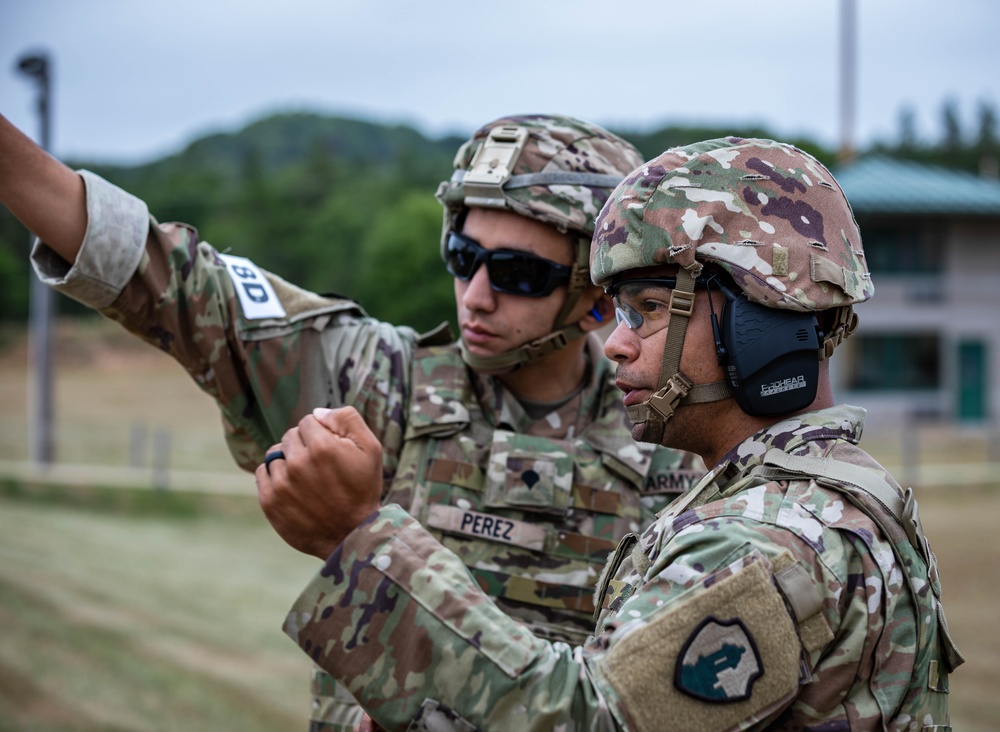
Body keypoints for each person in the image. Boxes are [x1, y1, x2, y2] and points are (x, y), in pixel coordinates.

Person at [0, 112, 702, 731]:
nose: (475, 297)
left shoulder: (675, 445)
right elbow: (172, 280)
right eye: (463, 258)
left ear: (596, 295)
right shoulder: (374, 382)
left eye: (518, 274)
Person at [258, 137, 965, 731]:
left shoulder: (767, 541)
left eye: (650, 309)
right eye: (617, 313)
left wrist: (360, 539)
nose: (615, 345)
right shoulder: (837, 495)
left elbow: (583, 718)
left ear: (760, 323)